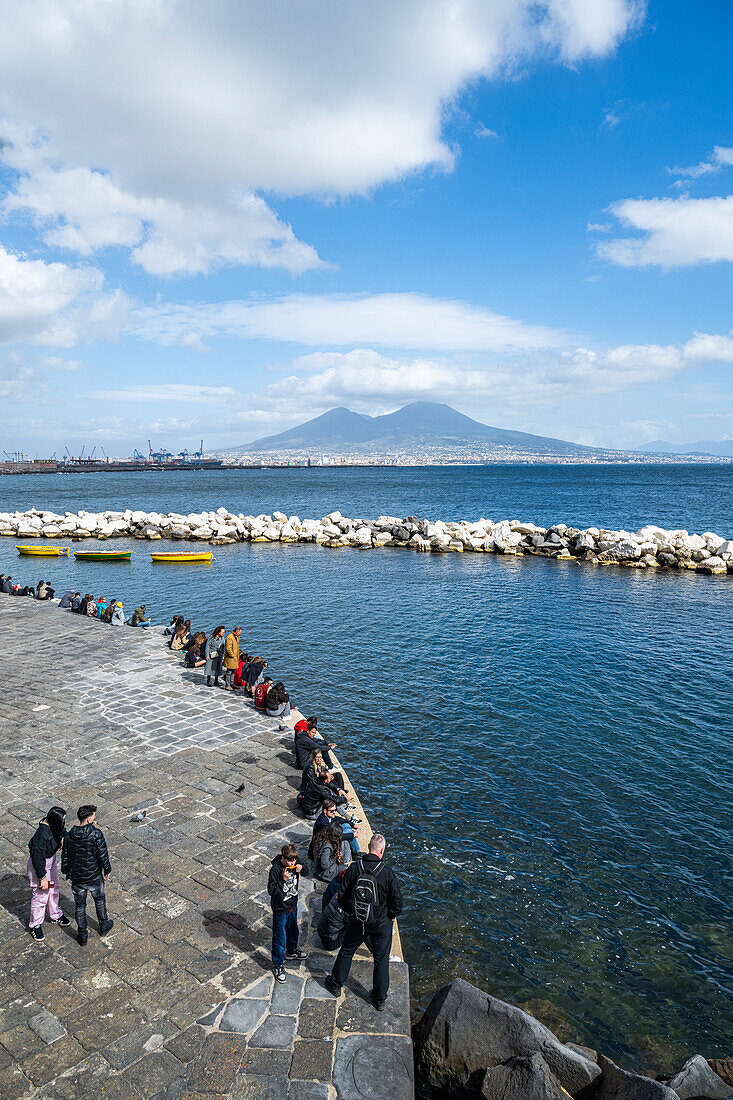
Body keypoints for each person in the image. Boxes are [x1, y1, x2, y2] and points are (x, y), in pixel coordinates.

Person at [325, 834, 403, 1011]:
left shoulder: (355, 868)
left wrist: (352, 912)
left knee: (346, 951)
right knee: (381, 959)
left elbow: (342, 895)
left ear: (368, 846)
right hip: (381, 924)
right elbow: (397, 902)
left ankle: (336, 984)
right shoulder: (387, 872)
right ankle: (379, 999)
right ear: (382, 850)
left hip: (357, 921)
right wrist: (391, 915)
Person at [61, 804, 113, 945]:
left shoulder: (69, 836)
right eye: (94, 816)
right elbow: (103, 856)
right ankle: (103, 925)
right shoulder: (96, 834)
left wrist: (66, 872)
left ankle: (82, 935)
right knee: (100, 901)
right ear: (89, 819)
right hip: (94, 876)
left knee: (79, 907)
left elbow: (65, 858)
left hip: (77, 878)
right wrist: (107, 870)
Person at [27, 807, 70, 942]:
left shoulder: (54, 825)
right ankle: (35, 924)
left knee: (54, 888)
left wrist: (63, 838)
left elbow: (62, 831)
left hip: (50, 862)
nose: (64, 822)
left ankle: (55, 914)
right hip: (40, 867)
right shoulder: (41, 836)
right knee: (41, 894)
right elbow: (37, 858)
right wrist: (42, 877)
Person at [267, 843, 309, 983]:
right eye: (290, 860)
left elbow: (307, 872)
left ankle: (291, 951)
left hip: (292, 904)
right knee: (279, 938)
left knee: (293, 930)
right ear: (283, 858)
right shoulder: (275, 869)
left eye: (294, 860)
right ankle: (278, 965)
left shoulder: (296, 861)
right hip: (280, 908)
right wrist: (282, 880)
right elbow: (271, 891)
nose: (292, 862)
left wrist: (301, 869)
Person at [298, 750, 350, 817]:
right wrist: (345, 799)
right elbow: (330, 797)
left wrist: (338, 789)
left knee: (337, 777)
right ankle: (347, 815)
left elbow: (324, 781)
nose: (319, 759)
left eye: (320, 757)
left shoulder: (316, 779)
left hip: (311, 803)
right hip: (313, 812)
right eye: (317, 757)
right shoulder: (310, 768)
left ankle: (341, 799)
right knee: (331, 801)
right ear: (313, 757)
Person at [313, 824, 351, 908]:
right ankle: (346, 863)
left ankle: (347, 862)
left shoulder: (323, 838)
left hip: (326, 869)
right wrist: (335, 857)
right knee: (347, 869)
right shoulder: (327, 846)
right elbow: (324, 864)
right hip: (326, 873)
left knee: (345, 843)